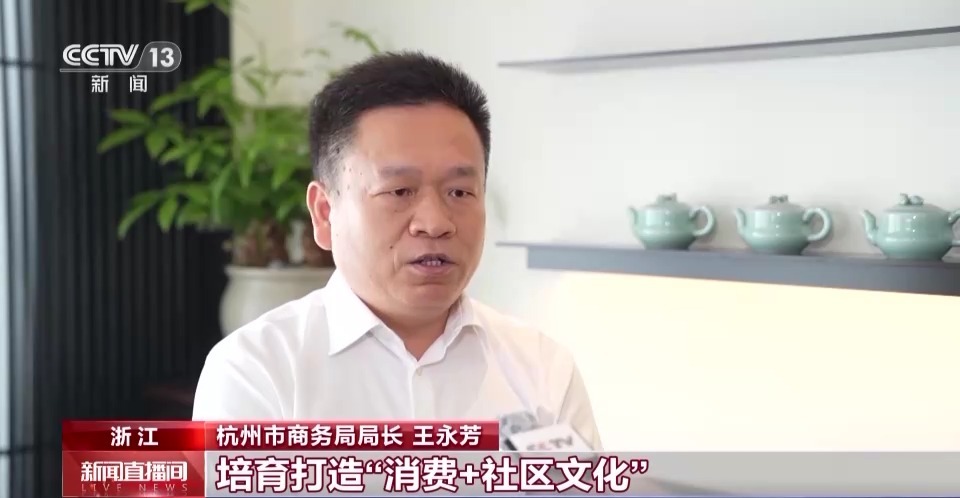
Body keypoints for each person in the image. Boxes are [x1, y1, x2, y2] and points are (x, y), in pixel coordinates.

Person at [192, 51, 602, 450]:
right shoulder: (256, 370)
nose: (435, 223)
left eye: (460, 192)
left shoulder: (542, 369)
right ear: (324, 214)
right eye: (400, 191)